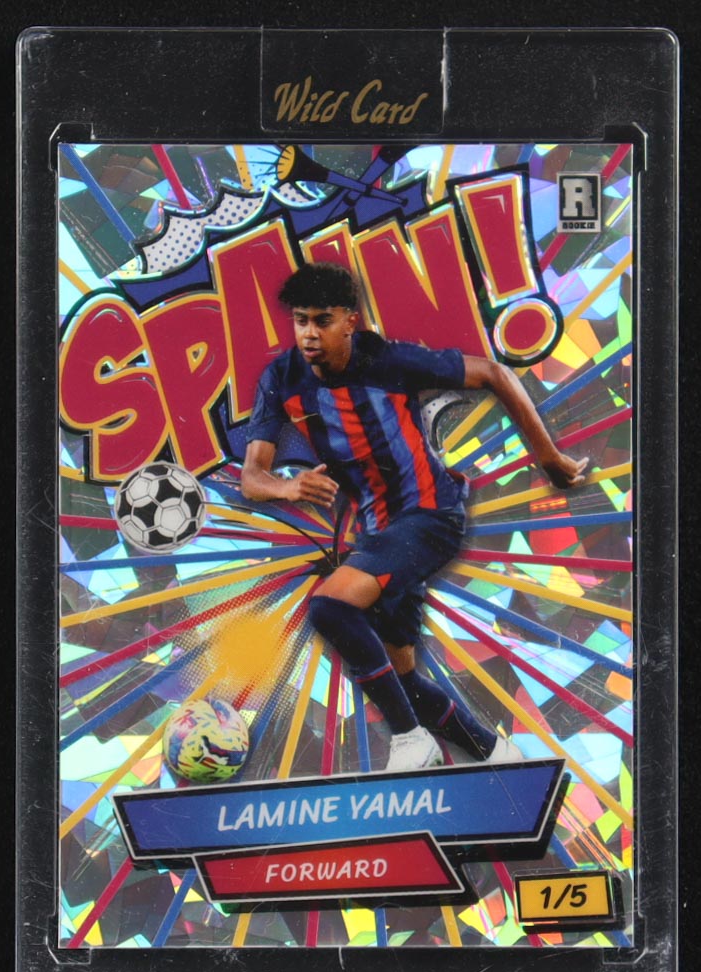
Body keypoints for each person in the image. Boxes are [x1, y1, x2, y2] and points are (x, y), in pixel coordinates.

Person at [241, 263, 588, 772]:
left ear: (350, 322)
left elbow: (494, 373)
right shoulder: (281, 378)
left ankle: (409, 739)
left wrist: (549, 458)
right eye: (300, 321)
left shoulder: (391, 361)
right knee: (400, 679)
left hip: (431, 516)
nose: (309, 334)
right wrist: (287, 486)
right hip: (379, 536)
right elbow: (253, 476)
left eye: (322, 320)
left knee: (330, 608)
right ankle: (497, 755)